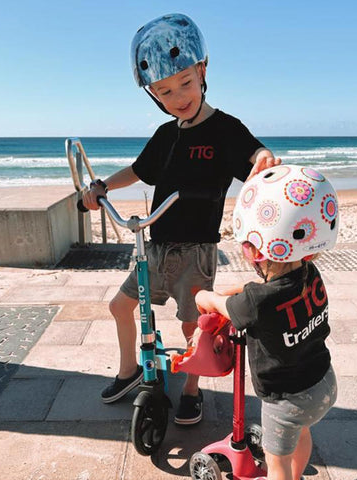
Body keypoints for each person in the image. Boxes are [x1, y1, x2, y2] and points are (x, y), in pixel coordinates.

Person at [82, 13, 281, 425]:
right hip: (156, 247)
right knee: (120, 307)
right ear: (154, 95)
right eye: (164, 91)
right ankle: (129, 371)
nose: (177, 97)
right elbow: (139, 170)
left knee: (194, 329)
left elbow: (254, 155)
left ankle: (192, 389)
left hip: (197, 251)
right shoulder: (165, 135)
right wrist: (101, 187)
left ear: (203, 69)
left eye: (185, 83)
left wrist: (262, 160)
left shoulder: (226, 129)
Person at [195, 164, 339, 479]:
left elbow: (219, 304)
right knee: (301, 435)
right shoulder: (308, 273)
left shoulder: (256, 303)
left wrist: (202, 297)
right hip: (323, 384)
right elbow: (261, 295)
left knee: (277, 465)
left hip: (285, 401)